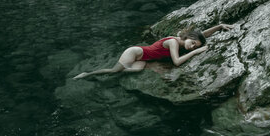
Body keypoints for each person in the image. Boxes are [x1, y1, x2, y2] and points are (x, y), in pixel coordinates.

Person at [73, 23, 233, 79]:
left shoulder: (187, 40)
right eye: (192, 43)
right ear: (187, 37)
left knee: (136, 70)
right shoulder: (173, 42)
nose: (192, 47)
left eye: (195, 46)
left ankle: (144, 65)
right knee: (114, 71)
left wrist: (219, 26)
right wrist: (196, 53)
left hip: (144, 57)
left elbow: (202, 35)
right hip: (134, 52)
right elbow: (177, 63)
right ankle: (88, 74)